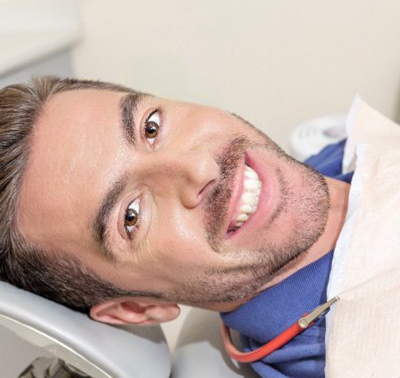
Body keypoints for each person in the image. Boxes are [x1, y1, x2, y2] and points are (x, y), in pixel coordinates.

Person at [0, 76, 353, 377]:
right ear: (137, 308)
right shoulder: (364, 347)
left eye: (150, 128)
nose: (200, 167)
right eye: (131, 216)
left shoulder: (335, 159)